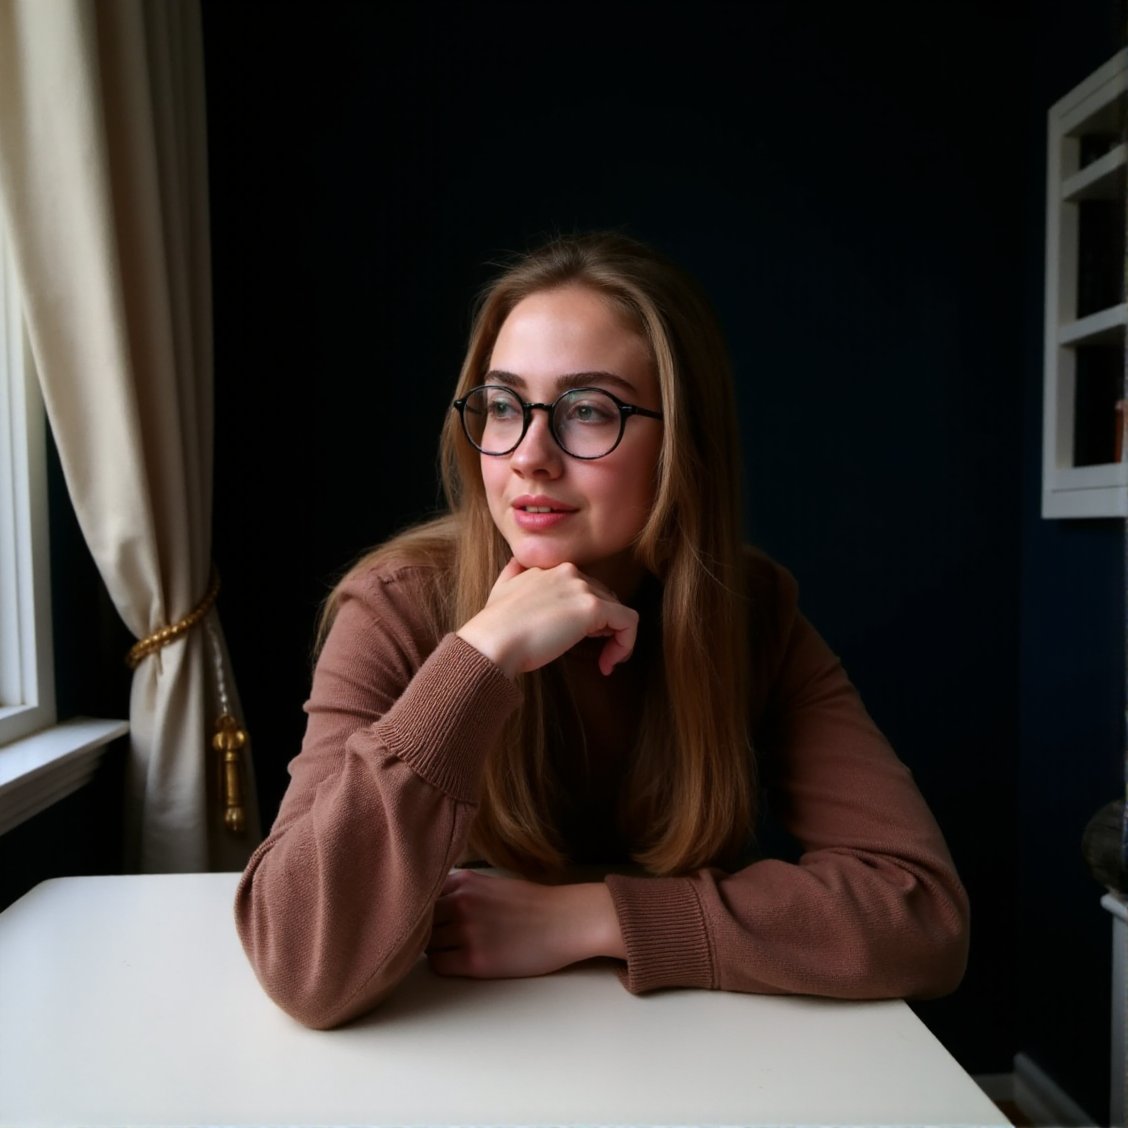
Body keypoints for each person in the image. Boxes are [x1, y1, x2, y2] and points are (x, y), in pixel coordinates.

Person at [234, 231, 969, 1030]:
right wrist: (481, 659)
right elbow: (299, 959)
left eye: (588, 410)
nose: (530, 457)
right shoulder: (397, 606)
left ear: (681, 443)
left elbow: (920, 913)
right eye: (504, 406)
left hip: (684, 1052)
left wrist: (593, 920)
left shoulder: (749, 611)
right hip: (461, 1054)